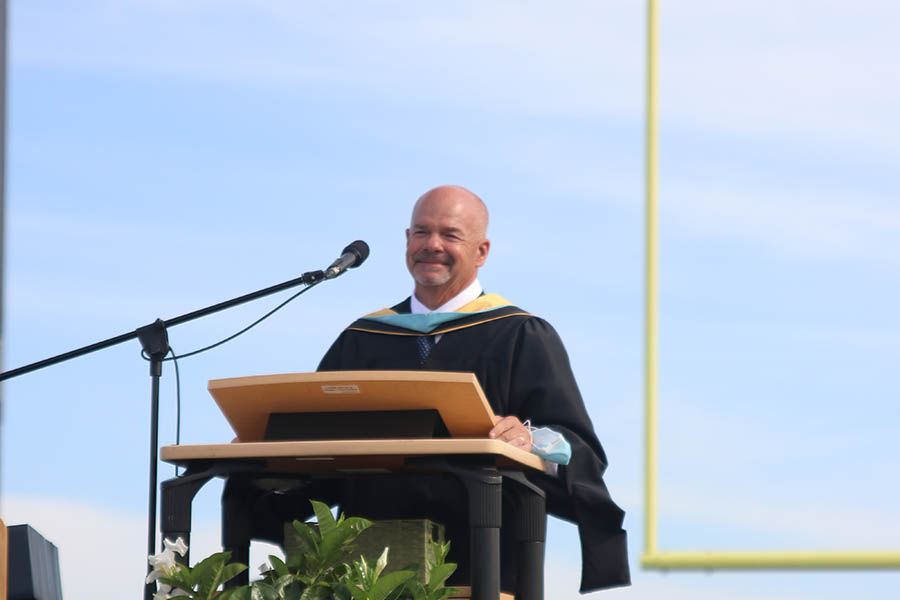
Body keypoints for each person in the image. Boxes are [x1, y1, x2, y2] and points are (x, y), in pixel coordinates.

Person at [316, 185, 630, 593]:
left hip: (483, 570)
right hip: (366, 574)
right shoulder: (362, 338)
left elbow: (579, 447)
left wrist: (532, 440)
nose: (432, 245)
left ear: (481, 251)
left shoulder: (520, 334)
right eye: (420, 232)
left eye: (450, 235)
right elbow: (317, 440)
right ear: (406, 240)